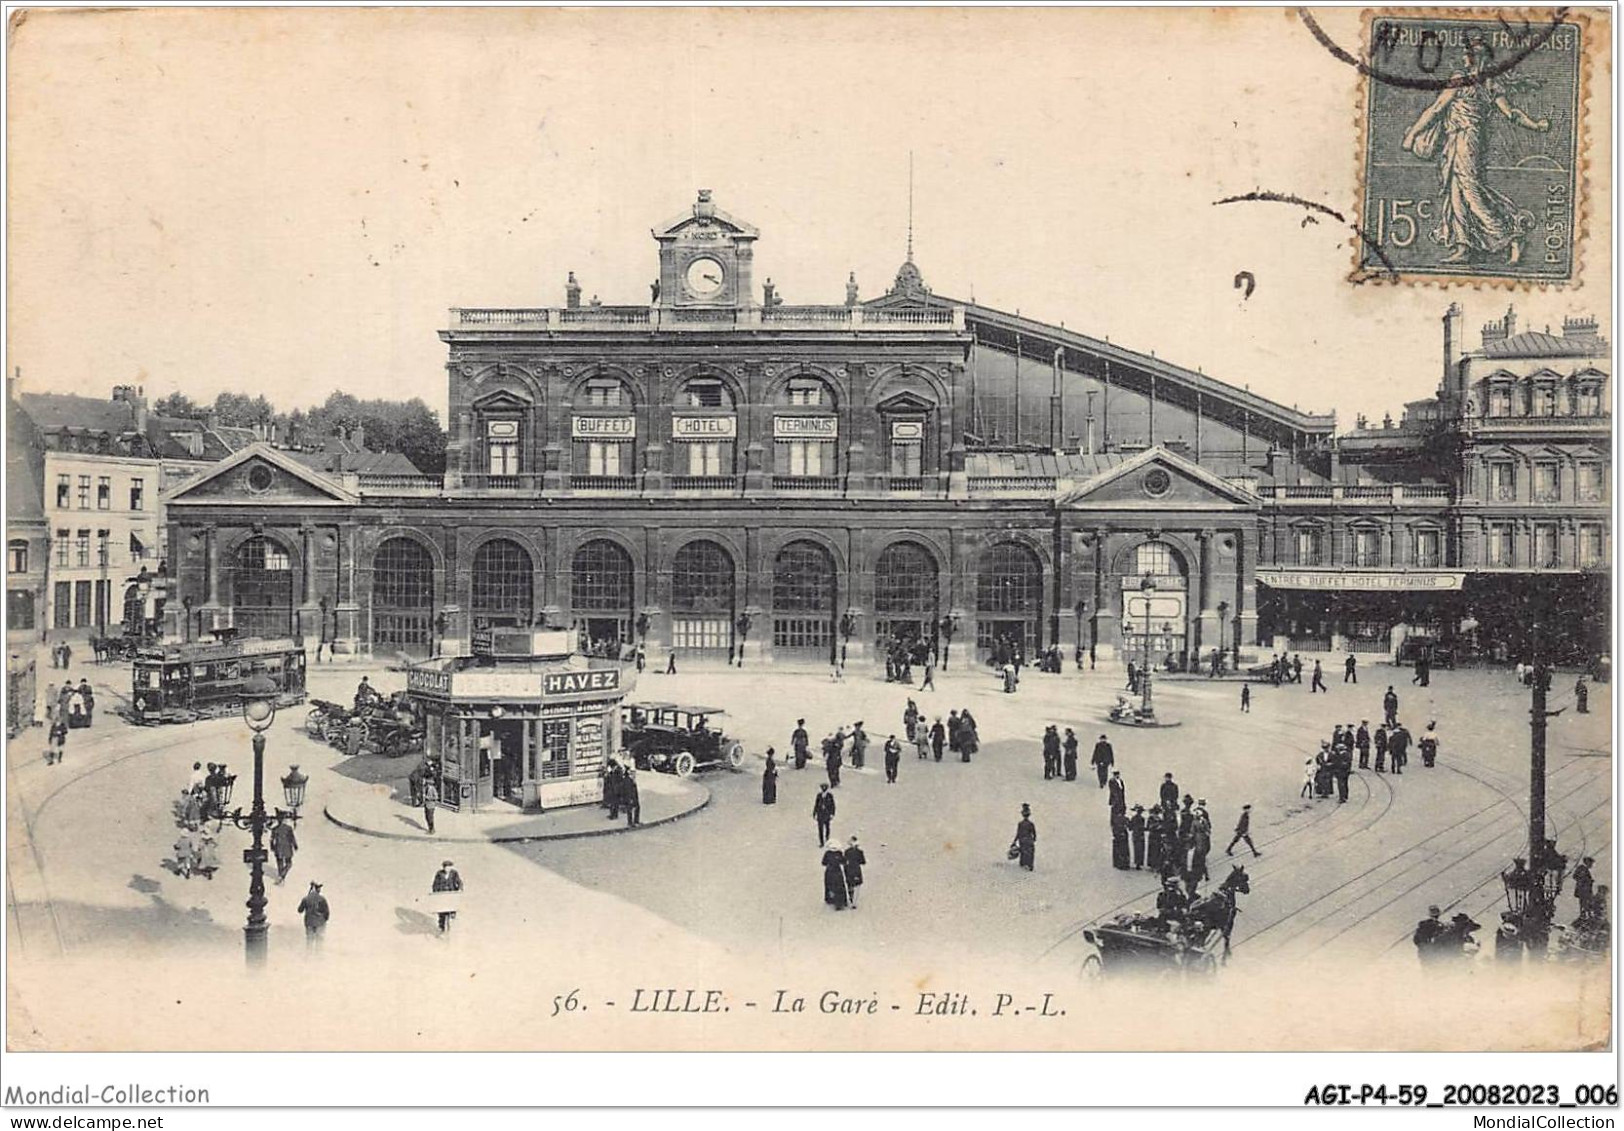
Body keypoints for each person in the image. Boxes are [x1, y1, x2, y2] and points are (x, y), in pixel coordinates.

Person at [432, 860, 463, 934]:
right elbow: (435, 884)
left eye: (449, 867)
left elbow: (459, 882)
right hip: (442, 894)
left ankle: (452, 918)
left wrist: (460, 889)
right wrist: (436, 893)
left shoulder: (454, 873)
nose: (448, 869)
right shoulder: (439, 873)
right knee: (442, 912)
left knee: (452, 908)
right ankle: (441, 928)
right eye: (446, 867)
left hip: (451, 894)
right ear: (444, 867)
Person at [297, 881, 330, 949]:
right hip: (320, 923)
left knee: (309, 941)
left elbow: (300, 910)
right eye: (319, 888)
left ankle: (309, 957)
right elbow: (326, 912)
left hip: (309, 922)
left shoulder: (306, 898)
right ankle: (318, 957)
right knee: (319, 941)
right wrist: (324, 920)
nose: (320, 890)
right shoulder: (322, 899)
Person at [822, 844, 850, 910]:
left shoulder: (827, 853)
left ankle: (830, 899)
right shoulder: (839, 853)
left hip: (829, 871)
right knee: (839, 886)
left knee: (829, 885)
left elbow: (823, 863)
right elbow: (844, 862)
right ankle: (840, 902)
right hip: (837, 871)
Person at [842, 836, 867, 909]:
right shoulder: (860, 852)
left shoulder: (846, 852)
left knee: (850, 884)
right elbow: (863, 862)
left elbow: (844, 861)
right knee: (857, 885)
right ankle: (854, 902)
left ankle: (850, 897)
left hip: (849, 869)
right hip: (857, 869)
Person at [1011, 804, 1037, 872]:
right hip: (1028, 840)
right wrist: (1033, 840)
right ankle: (1029, 866)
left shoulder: (1021, 824)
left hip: (1022, 841)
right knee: (1030, 854)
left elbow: (1018, 833)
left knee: (1023, 854)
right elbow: (1034, 835)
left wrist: (1014, 841)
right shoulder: (1031, 824)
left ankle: (1023, 866)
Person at [1127, 805, 1147, 869]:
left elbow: (1130, 828)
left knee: (1137, 849)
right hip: (1140, 835)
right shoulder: (1142, 819)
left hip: (1135, 835)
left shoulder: (1133, 818)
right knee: (1140, 849)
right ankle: (1139, 863)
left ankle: (1137, 863)